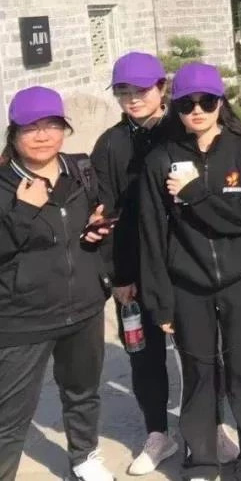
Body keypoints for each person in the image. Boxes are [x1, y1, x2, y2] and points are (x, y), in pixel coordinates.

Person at [92, 52, 238, 475]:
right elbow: (107, 215)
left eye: (141, 89)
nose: (133, 98)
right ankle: (157, 431)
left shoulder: (185, 130)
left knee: (201, 351)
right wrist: (119, 276)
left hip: (187, 262)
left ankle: (212, 426)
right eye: (123, 91)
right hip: (135, 267)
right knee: (144, 354)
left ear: (162, 89)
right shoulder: (110, 144)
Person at [139, 63, 241, 481]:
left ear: (220, 103)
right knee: (198, 373)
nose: (197, 110)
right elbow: (151, 233)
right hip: (188, 283)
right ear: (175, 107)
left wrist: (196, 195)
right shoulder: (161, 159)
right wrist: (159, 300)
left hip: (240, 279)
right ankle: (201, 459)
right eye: (187, 104)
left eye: (207, 101)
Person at [0, 87, 115, 481]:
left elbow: (89, 221)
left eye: (52, 125)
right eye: (31, 128)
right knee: (10, 414)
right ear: (14, 133)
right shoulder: (4, 184)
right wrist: (23, 211)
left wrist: (96, 231)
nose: (43, 135)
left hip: (83, 308)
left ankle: (85, 457)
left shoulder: (80, 169)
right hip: (22, 318)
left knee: (83, 393)